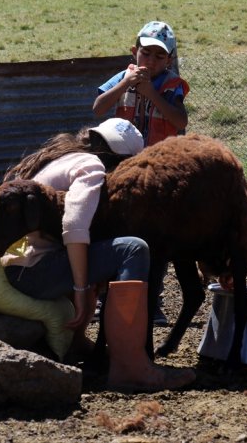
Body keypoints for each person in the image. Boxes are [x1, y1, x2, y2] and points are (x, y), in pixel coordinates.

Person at [0, 118, 195, 392]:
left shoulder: (64, 158)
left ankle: (80, 345)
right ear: (122, 160)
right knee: (132, 249)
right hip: (36, 272)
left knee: (98, 249)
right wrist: (80, 289)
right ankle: (130, 367)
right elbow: (74, 226)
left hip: (22, 266)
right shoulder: (90, 167)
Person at [93, 20, 190, 325]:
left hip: (159, 171)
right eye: (145, 54)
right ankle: (105, 297)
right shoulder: (122, 77)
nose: (150, 62)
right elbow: (98, 108)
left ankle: (153, 301)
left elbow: (178, 121)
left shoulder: (172, 86)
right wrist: (127, 84)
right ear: (134, 53)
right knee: (113, 229)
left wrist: (150, 92)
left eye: (158, 57)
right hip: (121, 168)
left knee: (155, 235)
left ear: (169, 60)